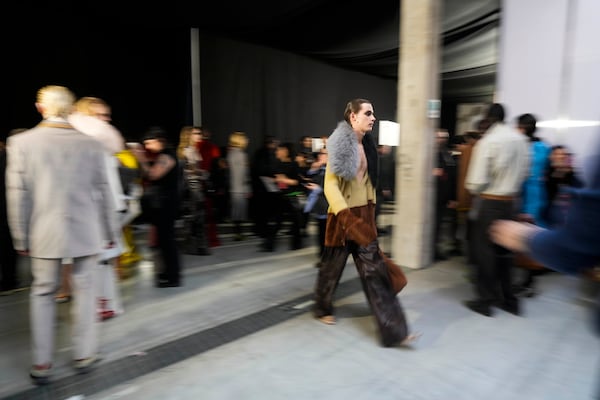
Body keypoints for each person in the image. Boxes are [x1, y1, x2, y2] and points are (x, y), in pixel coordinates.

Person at [5, 85, 120, 384]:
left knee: (43, 292)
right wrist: (110, 231)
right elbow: (104, 192)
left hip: (44, 229)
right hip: (86, 229)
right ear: (71, 110)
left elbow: (17, 195)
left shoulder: (21, 143)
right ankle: (84, 354)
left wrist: (20, 237)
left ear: (40, 108)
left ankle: (42, 363)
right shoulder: (91, 144)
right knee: (85, 290)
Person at [313, 98, 417, 347]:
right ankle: (321, 307)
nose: (373, 118)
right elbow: (329, 185)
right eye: (368, 113)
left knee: (376, 274)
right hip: (342, 219)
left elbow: (369, 184)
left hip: (364, 219)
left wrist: (370, 214)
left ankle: (395, 331)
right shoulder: (340, 144)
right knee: (330, 271)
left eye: (373, 113)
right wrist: (345, 216)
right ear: (353, 117)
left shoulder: (368, 146)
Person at [463, 103, 530, 317]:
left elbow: (475, 182)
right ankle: (509, 300)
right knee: (506, 253)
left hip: (490, 202)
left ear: (489, 118)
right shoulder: (521, 140)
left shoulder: (489, 141)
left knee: (485, 253)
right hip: (510, 203)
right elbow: (526, 173)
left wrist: (478, 189)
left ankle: (486, 301)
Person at [69, 96, 128, 320]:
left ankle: (105, 303)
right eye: (100, 115)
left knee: (104, 261)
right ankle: (93, 306)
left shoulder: (103, 148)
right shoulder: (87, 145)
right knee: (89, 262)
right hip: (90, 211)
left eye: (107, 115)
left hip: (105, 210)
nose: (106, 119)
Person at [132, 127, 183, 287]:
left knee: (167, 241)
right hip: (162, 204)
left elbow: (154, 174)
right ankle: (168, 273)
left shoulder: (167, 156)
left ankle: (172, 277)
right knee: (163, 241)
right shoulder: (164, 155)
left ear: (159, 140)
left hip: (165, 205)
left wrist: (141, 158)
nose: (147, 147)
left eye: (149, 143)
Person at [511, 113, 552, 298]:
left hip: (530, 200)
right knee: (528, 242)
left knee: (528, 242)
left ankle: (528, 283)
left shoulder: (530, 147)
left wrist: (529, 210)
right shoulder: (543, 147)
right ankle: (526, 281)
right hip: (532, 198)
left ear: (524, 127)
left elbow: (534, 179)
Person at [177, 126, 210, 255]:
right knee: (195, 218)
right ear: (188, 136)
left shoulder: (191, 150)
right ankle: (197, 247)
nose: (199, 135)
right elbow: (191, 170)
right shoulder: (188, 151)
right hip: (192, 187)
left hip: (194, 187)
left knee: (194, 218)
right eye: (196, 133)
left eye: (199, 133)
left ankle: (195, 246)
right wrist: (203, 173)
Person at [0, 129, 25, 295]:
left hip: (8, 207)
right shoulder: (7, 157)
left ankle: (10, 280)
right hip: (7, 206)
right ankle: (10, 279)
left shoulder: (7, 157)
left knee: (7, 244)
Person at [226, 131, 251, 241]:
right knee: (239, 213)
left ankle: (238, 233)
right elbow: (244, 174)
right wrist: (248, 188)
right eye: (245, 138)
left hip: (233, 188)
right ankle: (238, 234)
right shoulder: (241, 155)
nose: (247, 140)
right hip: (240, 188)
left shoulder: (230, 154)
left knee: (236, 212)